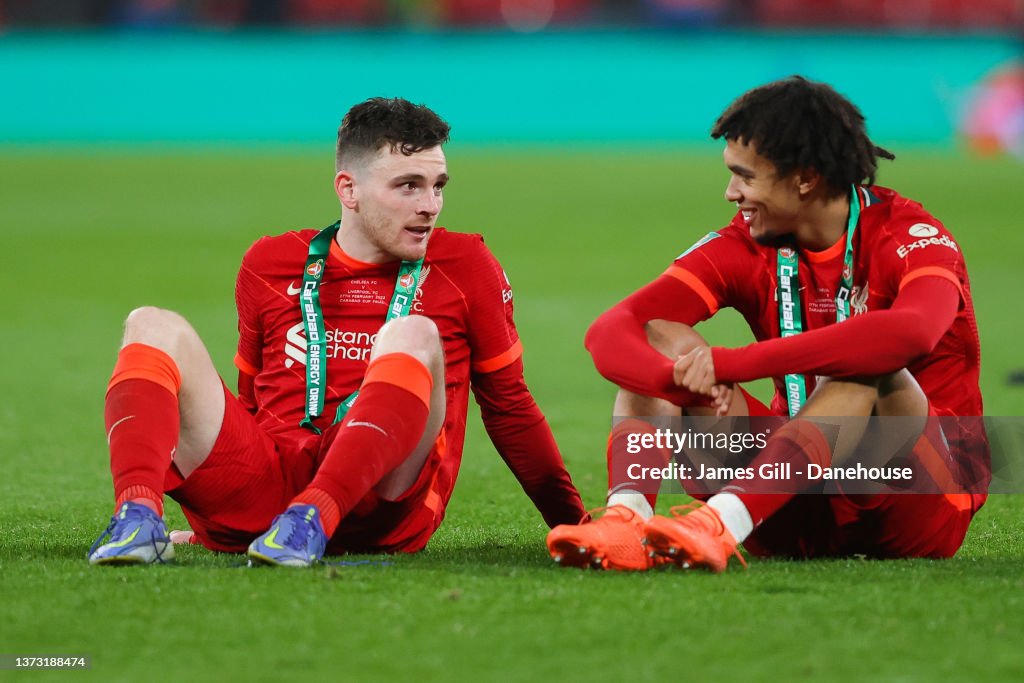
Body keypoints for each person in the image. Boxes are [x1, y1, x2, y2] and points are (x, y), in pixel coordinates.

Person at [88, 97, 586, 568]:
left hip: (379, 503)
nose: (430, 205)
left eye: (438, 186)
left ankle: (312, 516)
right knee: (150, 324)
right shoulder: (269, 262)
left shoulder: (464, 264)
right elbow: (251, 399)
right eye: (408, 186)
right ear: (348, 189)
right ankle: (137, 519)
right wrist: (218, 512)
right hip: (268, 488)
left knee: (412, 334)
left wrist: (575, 524)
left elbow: (510, 407)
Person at [547, 76, 988, 572]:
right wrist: (676, 382)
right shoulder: (747, 242)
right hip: (787, 482)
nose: (730, 192)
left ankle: (720, 524)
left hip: (918, 493)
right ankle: (626, 520)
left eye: (745, 176)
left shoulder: (911, 236)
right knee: (662, 337)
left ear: (804, 178)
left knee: (866, 362)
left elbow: (911, 333)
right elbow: (612, 330)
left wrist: (733, 363)